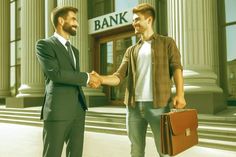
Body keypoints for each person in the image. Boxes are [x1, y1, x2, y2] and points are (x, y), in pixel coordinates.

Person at [90, 3, 186, 157]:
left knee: (165, 150)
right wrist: (101, 79)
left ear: (149, 20)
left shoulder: (167, 43)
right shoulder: (131, 50)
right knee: (136, 150)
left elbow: (177, 68)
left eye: (136, 20)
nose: (133, 23)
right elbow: (118, 76)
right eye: (133, 20)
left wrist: (180, 94)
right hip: (133, 108)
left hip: (159, 106)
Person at [36, 6, 100, 157]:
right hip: (58, 111)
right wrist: (87, 78)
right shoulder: (44, 45)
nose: (76, 23)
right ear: (61, 20)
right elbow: (55, 74)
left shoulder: (75, 50)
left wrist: (90, 79)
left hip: (78, 111)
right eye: (73, 19)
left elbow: (72, 77)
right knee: (52, 154)